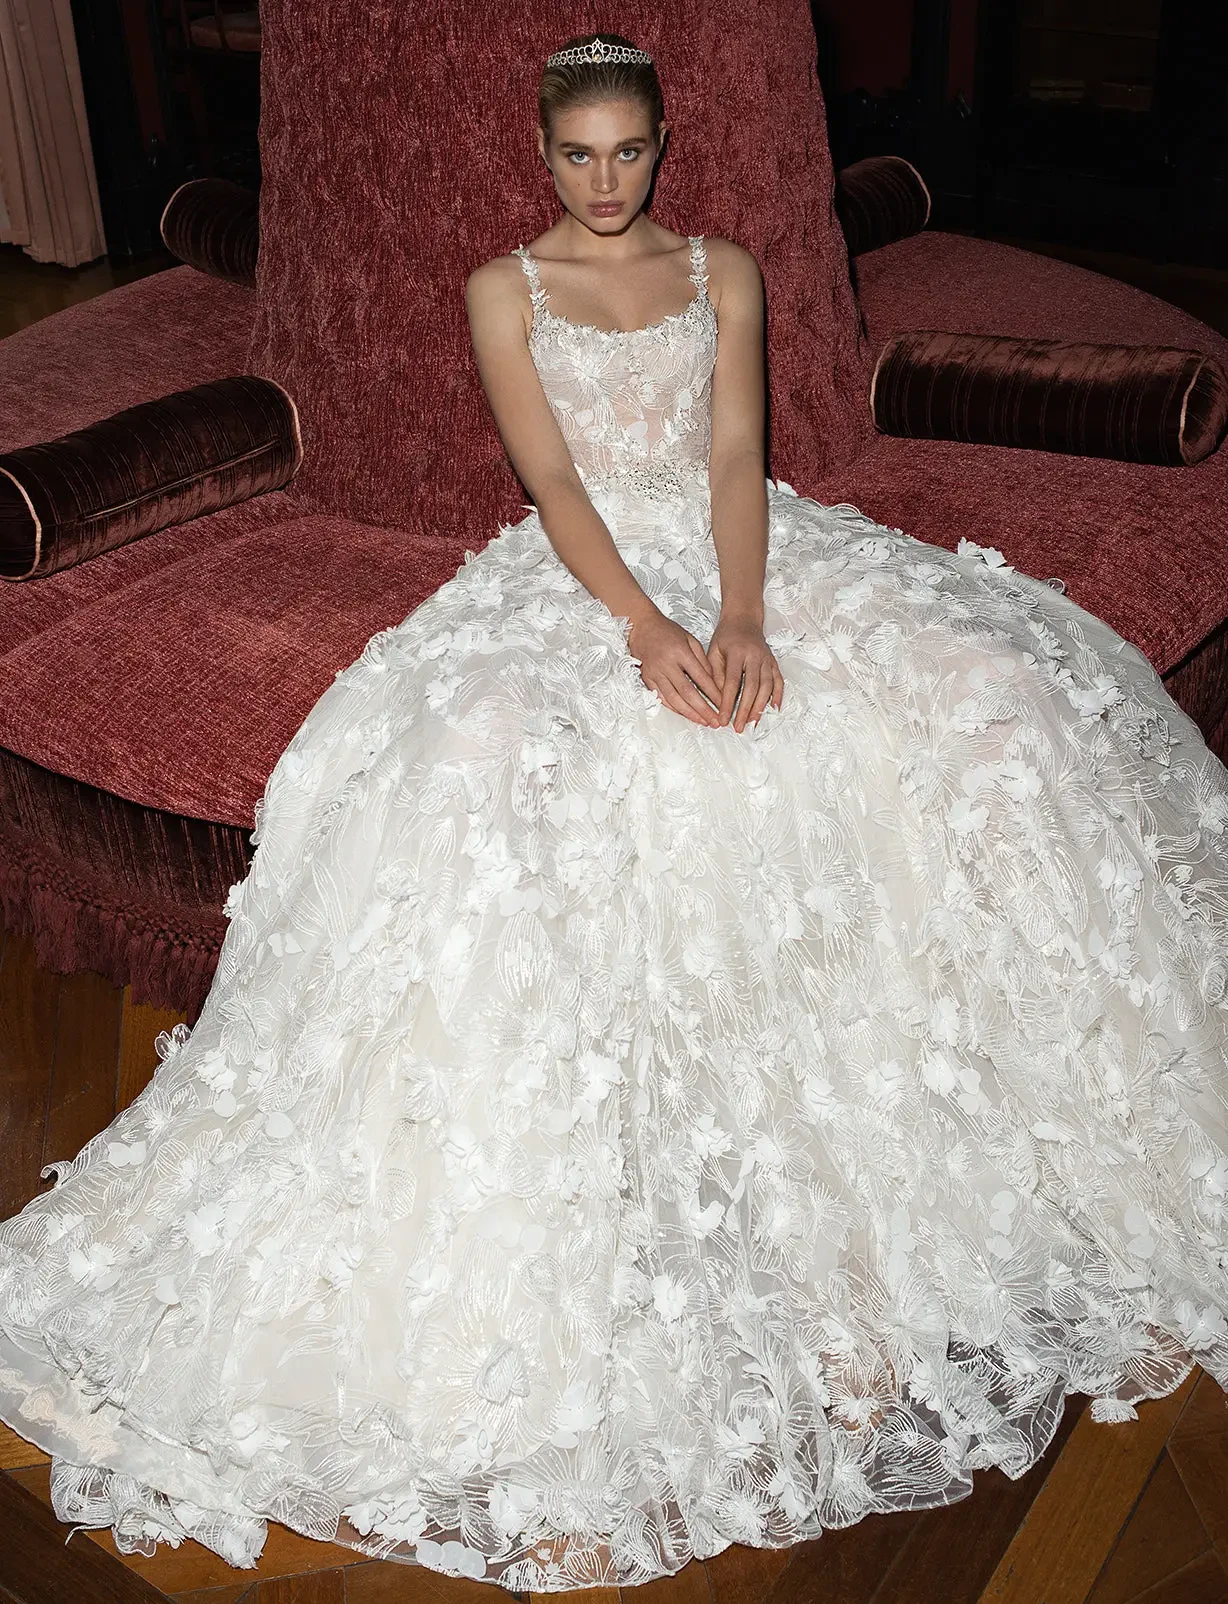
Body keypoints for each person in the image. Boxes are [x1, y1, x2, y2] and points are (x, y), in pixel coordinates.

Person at [2, 28, 1228, 1595]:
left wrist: (741, 613)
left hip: (745, 558)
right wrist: (646, 630)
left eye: (626, 153)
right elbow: (560, 488)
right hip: (575, 584)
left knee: (988, 689)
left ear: (662, 146)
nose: (601, 181)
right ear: (543, 157)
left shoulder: (725, 271)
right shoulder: (501, 291)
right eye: (574, 156)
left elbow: (733, 452)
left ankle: (958, 1216)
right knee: (497, 771)